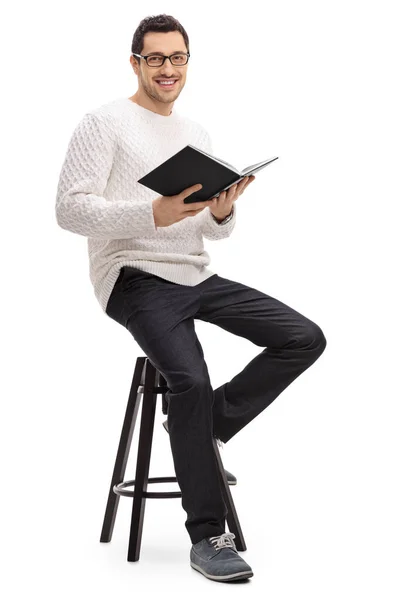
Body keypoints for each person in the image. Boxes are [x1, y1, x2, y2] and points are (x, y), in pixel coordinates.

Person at [55, 13, 327, 583]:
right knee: (190, 382)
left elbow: (209, 231)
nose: (168, 69)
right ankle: (209, 536)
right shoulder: (102, 123)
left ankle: (202, 427)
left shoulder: (196, 133)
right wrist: (150, 213)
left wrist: (223, 208)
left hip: (194, 274)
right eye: (155, 58)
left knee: (303, 337)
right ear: (135, 63)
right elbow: (70, 209)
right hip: (131, 275)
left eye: (178, 58)